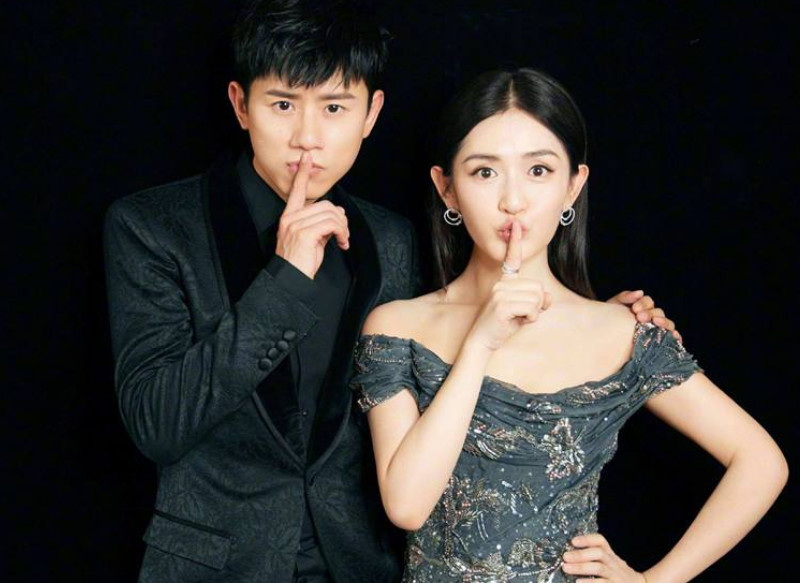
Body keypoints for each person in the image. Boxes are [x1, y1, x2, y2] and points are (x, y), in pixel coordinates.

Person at [103, 1, 676, 579]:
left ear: (371, 113)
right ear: (240, 105)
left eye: (334, 107)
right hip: (212, 568)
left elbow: (447, 345)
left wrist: (598, 326)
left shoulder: (390, 239)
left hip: (362, 564)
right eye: (282, 105)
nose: (307, 138)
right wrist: (283, 281)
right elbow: (157, 425)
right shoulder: (154, 228)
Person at [352, 68, 788, 583]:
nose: (513, 200)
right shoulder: (397, 328)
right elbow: (407, 506)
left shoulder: (622, 331)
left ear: (572, 187)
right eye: (484, 172)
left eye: (538, 170)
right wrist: (480, 344)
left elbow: (761, 462)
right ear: (446, 188)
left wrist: (655, 581)